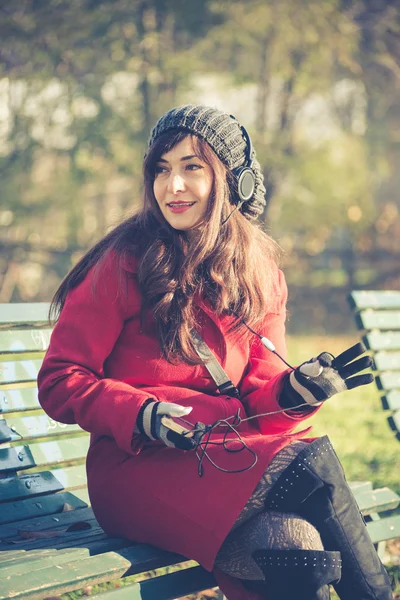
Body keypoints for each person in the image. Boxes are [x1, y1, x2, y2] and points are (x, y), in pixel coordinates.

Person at [37, 105, 393, 600]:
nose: (172, 186)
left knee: (295, 547)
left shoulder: (260, 272)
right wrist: (139, 411)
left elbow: (258, 402)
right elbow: (59, 379)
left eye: (192, 168)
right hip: (138, 470)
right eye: (162, 169)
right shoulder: (121, 263)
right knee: (309, 462)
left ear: (234, 183)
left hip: (228, 457)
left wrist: (299, 389)